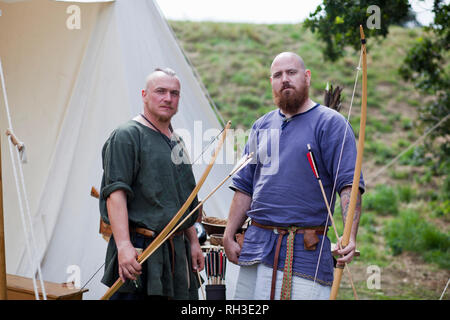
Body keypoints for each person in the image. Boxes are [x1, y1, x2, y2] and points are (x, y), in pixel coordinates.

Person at [223, 52, 364, 300]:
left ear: (307, 77)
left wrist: (349, 235)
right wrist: (228, 233)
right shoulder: (261, 126)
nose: (284, 79)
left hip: (303, 252)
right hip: (256, 246)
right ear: (271, 82)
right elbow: (244, 187)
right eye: (278, 75)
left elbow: (348, 186)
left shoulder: (331, 123)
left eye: (291, 73)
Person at [99, 68, 204, 300]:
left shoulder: (177, 140)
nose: (168, 98)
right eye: (161, 91)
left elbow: (184, 200)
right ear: (145, 94)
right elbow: (115, 194)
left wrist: (194, 241)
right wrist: (124, 245)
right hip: (141, 250)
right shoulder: (126, 135)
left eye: (174, 93)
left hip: (177, 253)